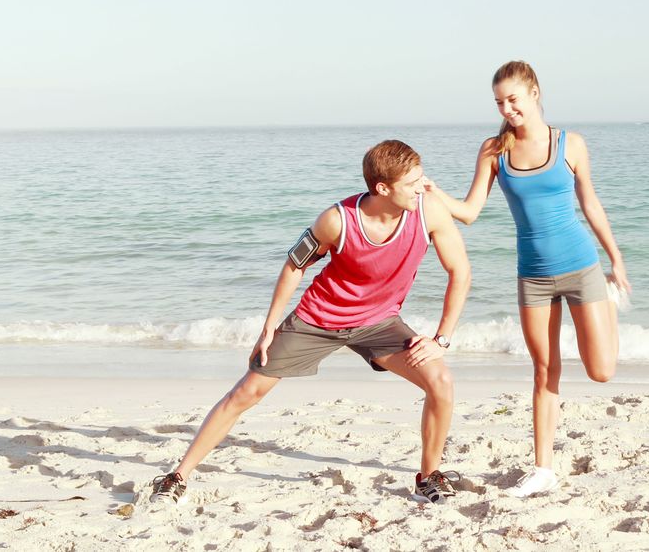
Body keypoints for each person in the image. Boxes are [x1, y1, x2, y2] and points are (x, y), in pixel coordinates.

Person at [149, 140, 472, 505]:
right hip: (319, 318)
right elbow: (294, 266)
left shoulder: (429, 210)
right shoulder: (336, 220)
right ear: (383, 188)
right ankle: (177, 476)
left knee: (440, 380)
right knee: (247, 392)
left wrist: (441, 338)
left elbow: (459, 271)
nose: (424, 185)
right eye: (413, 182)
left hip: (380, 322)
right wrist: (270, 326)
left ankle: (429, 476)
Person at [424, 60, 630, 498]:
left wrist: (616, 259)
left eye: (513, 98)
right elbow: (470, 212)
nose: (507, 108)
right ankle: (543, 468)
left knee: (602, 372)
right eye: (500, 102)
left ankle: (607, 304)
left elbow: (590, 205)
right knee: (543, 369)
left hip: (581, 266)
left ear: (534, 92)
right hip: (532, 276)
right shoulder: (494, 150)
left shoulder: (569, 144)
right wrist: (432, 189)